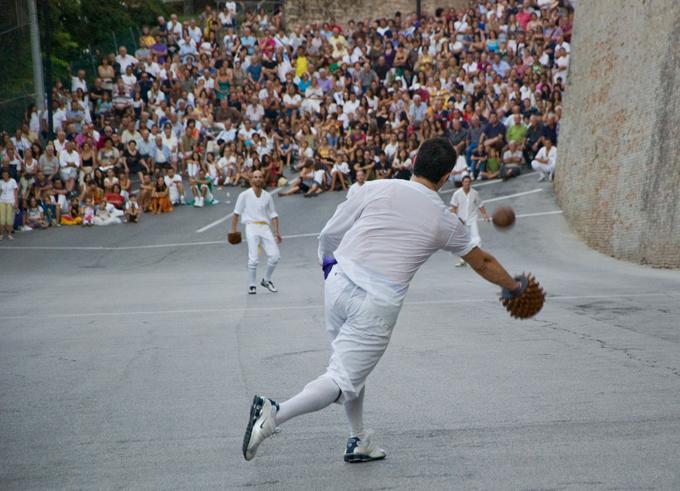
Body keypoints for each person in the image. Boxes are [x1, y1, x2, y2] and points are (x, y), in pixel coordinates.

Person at [242, 138, 526, 463]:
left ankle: (358, 439)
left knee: (348, 368)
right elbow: (483, 262)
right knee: (343, 378)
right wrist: (514, 287)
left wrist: (327, 263)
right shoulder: (444, 220)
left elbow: (331, 230)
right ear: (446, 177)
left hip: (337, 280)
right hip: (376, 301)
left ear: (414, 160)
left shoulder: (375, 187)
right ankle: (274, 413)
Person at [230, 170, 282, 294]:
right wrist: (233, 229)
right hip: (251, 227)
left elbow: (273, 215)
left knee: (275, 256)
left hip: (265, 228)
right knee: (253, 259)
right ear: (252, 180)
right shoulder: (244, 195)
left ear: (263, 179)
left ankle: (267, 280)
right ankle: (252, 284)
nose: (258, 179)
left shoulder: (267, 196)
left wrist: (277, 232)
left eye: (260, 177)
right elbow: (236, 213)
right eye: (255, 177)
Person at [450, 175, 491, 266]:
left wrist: (485, 214)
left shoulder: (474, 193)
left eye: (469, 182)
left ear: (470, 183)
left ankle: (477, 258)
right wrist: (456, 219)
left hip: (472, 219)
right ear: (462, 183)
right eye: (465, 182)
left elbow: (480, 204)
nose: (467, 184)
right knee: (463, 241)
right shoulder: (457, 193)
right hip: (461, 220)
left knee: (476, 238)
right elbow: (453, 207)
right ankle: (463, 260)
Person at [0, 169, 18, 240]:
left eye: (6, 174)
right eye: (3, 175)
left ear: (9, 175)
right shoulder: (0, 182)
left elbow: (15, 192)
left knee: (9, 219)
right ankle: (1, 234)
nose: (5, 176)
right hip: (2, 201)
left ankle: (9, 234)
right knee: (2, 219)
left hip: (11, 201)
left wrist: (16, 202)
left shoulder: (13, 181)